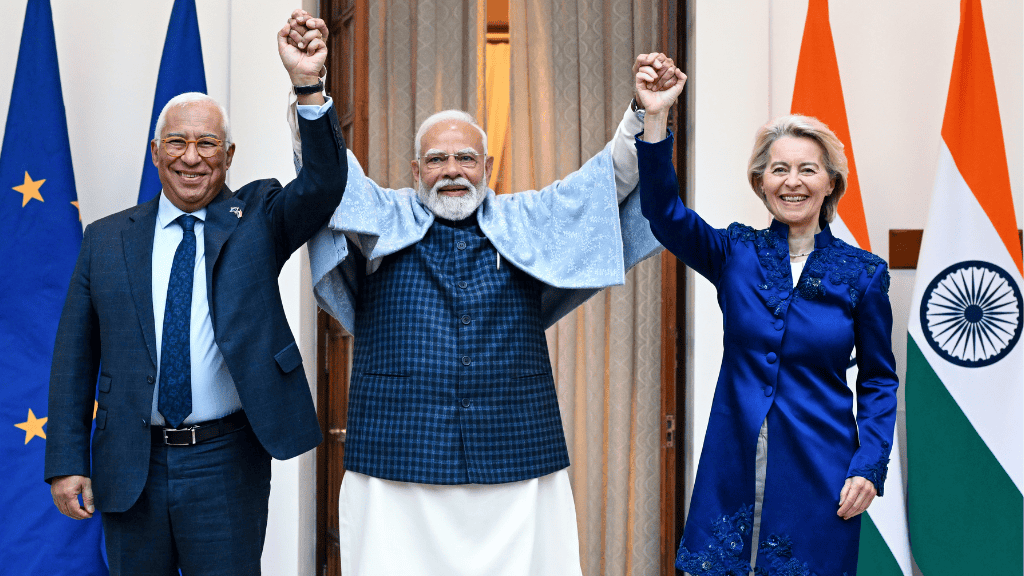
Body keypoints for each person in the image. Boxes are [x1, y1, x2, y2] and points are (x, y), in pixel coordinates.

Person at [287, 12, 683, 576]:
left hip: (515, 455)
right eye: (437, 159)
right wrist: (309, 86)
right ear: (415, 169)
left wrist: (646, 113)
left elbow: (606, 183)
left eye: (466, 158)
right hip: (398, 456)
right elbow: (328, 176)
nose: (452, 171)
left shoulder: (527, 217)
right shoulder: (382, 214)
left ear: (488, 167)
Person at [43, 13, 347, 575]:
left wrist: (308, 85)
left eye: (207, 143)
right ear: (155, 152)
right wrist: (65, 460)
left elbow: (325, 185)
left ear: (228, 157)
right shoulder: (105, 240)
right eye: (177, 143)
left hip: (226, 461)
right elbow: (73, 359)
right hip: (131, 463)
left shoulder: (258, 218)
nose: (191, 157)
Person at [637, 108, 899, 574]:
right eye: (779, 169)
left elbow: (879, 379)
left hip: (822, 472)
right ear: (761, 183)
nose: (792, 181)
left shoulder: (864, 273)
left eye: (807, 169)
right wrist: (655, 120)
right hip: (731, 465)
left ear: (830, 183)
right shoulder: (734, 252)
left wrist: (869, 464)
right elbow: (663, 213)